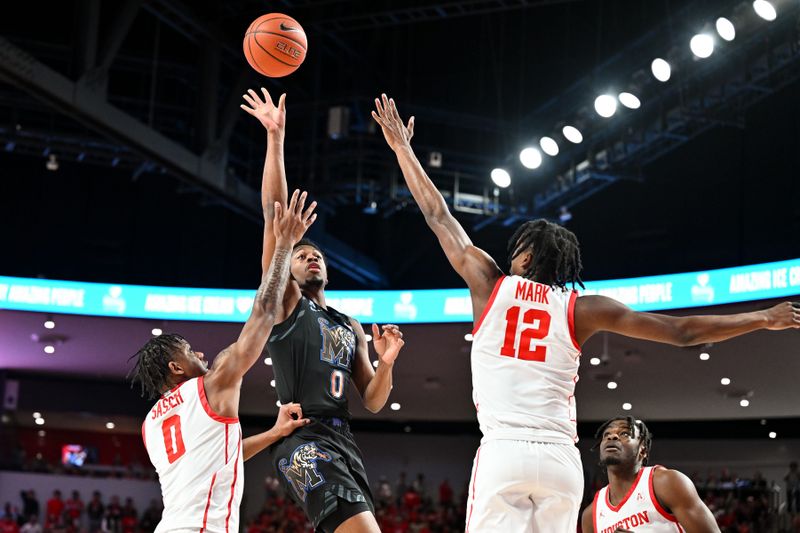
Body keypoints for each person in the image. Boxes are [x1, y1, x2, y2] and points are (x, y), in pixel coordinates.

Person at [371, 93, 800, 532]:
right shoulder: (583, 308)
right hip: (560, 458)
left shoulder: (489, 283)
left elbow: (438, 215)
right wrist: (763, 318)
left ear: (522, 258)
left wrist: (403, 149)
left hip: (505, 449)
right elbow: (683, 331)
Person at [241, 87, 407, 533]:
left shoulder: (349, 324)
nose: (310, 258)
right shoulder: (288, 305)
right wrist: (275, 138)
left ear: (328, 272)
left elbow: (372, 400)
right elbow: (274, 216)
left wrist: (387, 361)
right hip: (302, 438)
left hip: (344, 438)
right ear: (289, 271)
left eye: (317, 256)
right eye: (301, 256)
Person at [129, 190, 317, 533]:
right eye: (189, 351)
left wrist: (274, 434)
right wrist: (284, 245)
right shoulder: (211, 384)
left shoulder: (151, 424)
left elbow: (219, 457)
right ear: (175, 368)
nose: (199, 354)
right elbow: (264, 312)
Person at [582, 417, 719, 532]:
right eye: (606, 435)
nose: (612, 436)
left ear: (643, 451)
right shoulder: (590, 515)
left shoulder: (667, 482)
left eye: (624, 434)